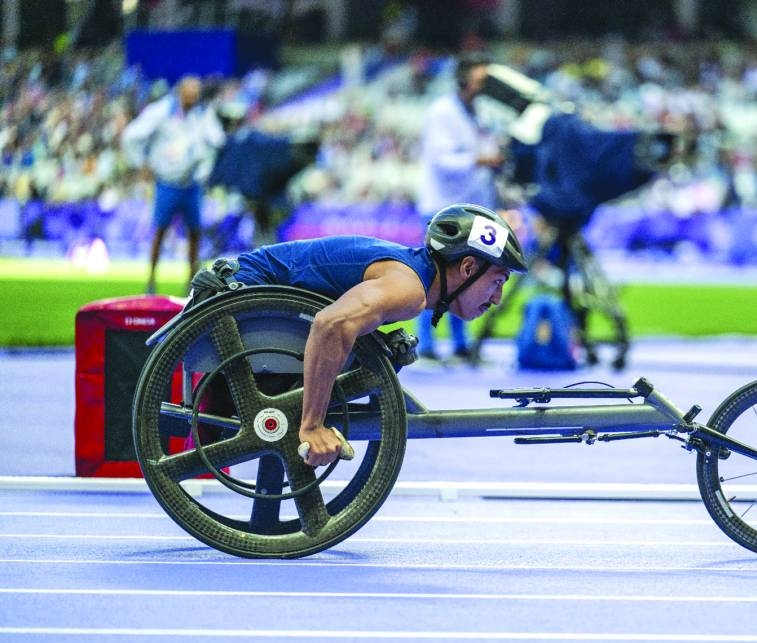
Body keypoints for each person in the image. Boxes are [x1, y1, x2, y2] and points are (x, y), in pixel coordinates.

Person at [227, 203, 526, 467]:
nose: (497, 298)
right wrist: (311, 425)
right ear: (468, 267)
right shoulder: (408, 290)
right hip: (236, 294)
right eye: (497, 282)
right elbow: (330, 325)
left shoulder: (410, 275)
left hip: (246, 293)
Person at [413, 53, 505, 362]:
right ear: (464, 79)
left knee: (469, 277)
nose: (484, 86)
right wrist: (482, 160)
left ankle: (461, 344)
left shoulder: (477, 112)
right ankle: (423, 344)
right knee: (434, 275)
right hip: (443, 210)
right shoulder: (443, 112)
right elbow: (443, 162)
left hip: (471, 209)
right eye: (481, 79)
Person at [122, 75, 225, 294]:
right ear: (181, 92)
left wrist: (206, 165)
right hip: (167, 182)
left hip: (192, 184)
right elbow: (131, 135)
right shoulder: (161, 111)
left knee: (195, 232)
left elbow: (218, 140)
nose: (194, 99)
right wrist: (141, 163)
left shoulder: (202, 113)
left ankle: (192, 281)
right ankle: (151, 278)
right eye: (190, 94)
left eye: (196, 95)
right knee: (159, 231)